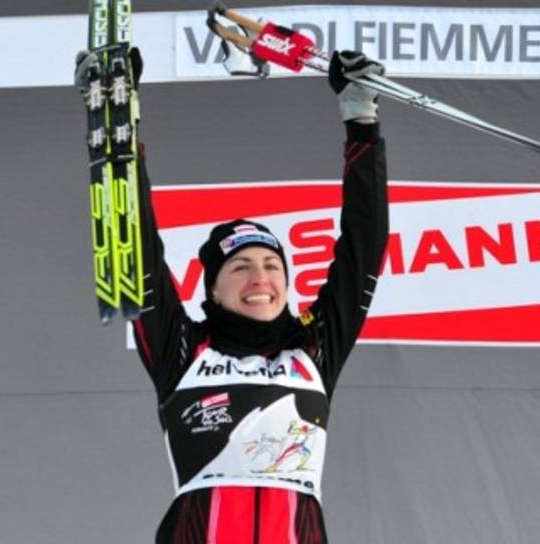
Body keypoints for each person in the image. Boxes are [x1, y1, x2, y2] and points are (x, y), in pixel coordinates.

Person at [76, 49, 389, 543]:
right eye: (240, 268)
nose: (260, 279)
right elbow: (136, 251)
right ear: (214, 290)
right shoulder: (185, 351)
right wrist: (121, 128)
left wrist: (361, 119)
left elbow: (363, 251)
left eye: (271, 266)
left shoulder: (313, 349)